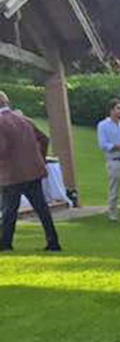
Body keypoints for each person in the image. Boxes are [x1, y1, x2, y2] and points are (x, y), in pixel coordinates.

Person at [0, 90, 61, 252]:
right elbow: (44, 139)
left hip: (12, 174)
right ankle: (53, 241)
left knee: (9, 211)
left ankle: (5, 243)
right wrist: (40, 158)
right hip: (32, 172)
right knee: (42, 208)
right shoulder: (24, 119)